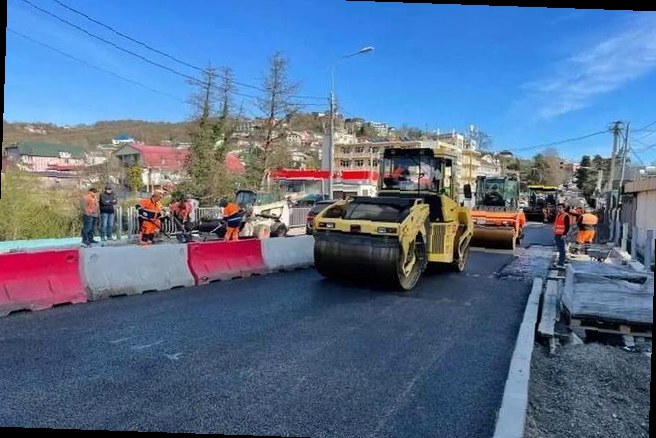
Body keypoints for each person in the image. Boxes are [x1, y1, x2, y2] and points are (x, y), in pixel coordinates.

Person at [553, 203, 571, 268]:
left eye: (560, 208)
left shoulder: (565, 215)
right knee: (560, 249)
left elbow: (567, 226)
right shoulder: (558, 215)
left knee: (562, 249)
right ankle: (560, 262)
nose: (559, 209)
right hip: (557, 234)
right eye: (558, 207)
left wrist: (564, 234)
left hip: (561, 235)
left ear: (564, 208)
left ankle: (561, 263)